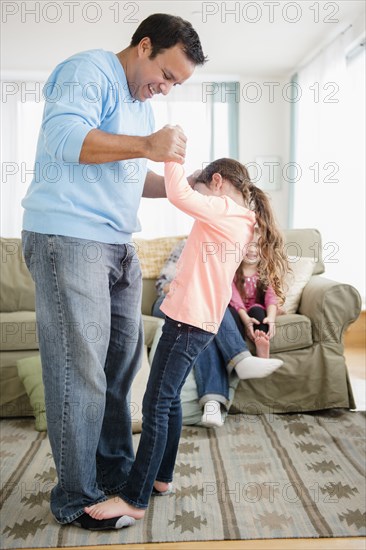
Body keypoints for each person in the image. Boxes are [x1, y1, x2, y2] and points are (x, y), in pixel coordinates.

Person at [21, 14, 206, 531]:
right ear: (144, 46)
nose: (164, 89)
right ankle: (76, 498)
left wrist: (180, 183)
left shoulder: (138, 103)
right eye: (166, 75)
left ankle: (116, 474)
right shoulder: (90, 71)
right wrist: (149, 145)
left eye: (175, 84)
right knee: (78, 371)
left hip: (116, 243)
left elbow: (123, 169)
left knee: (119, 368)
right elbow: (65, 138)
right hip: (69, 237)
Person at [84, 157, 288, 522]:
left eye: (203, 190)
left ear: (219, 182)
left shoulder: (225, 209)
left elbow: (178, 194)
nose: (200, 199)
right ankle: (161, 478)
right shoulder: (243, 220)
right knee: (170, 399)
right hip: (197, 321)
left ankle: (135, 499)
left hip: (188, 322)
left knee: (156, 405)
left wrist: (171, 155)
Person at [152, 239, 285, 428]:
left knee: (205, 323)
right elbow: (162, 285)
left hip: (203, 307)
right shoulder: (187, 244)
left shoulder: (226, 249)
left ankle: (212, 405)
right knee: (203, 303)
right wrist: (190, 285)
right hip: (170, 301)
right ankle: (240, 362)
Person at [230, 226, 284, 365]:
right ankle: (239, 352)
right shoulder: (232, 270)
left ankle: (262, 350)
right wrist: (245, 318)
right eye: (248, 245)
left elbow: (271, 297)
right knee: (230, 313)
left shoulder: (265, 271)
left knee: (259, 313)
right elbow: (234, 297)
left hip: (255, 308)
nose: (253, 250)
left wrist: (271, 318)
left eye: (258, 246)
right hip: (237, 310)